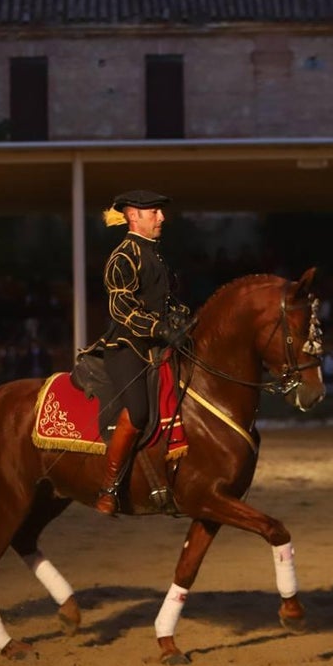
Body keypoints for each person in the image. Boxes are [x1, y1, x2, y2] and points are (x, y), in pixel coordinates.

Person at [91, 189, 190, 516]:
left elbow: (166, 300)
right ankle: (108, 489)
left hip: (158, 344)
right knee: (137, 413)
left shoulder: (155, 254)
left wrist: (181, 318)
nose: (162, 217)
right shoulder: (123, 256)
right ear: (133, 215)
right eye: (154, 212)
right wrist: (159, 328)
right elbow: (122, 309)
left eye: (161, 212)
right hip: (127, 347)